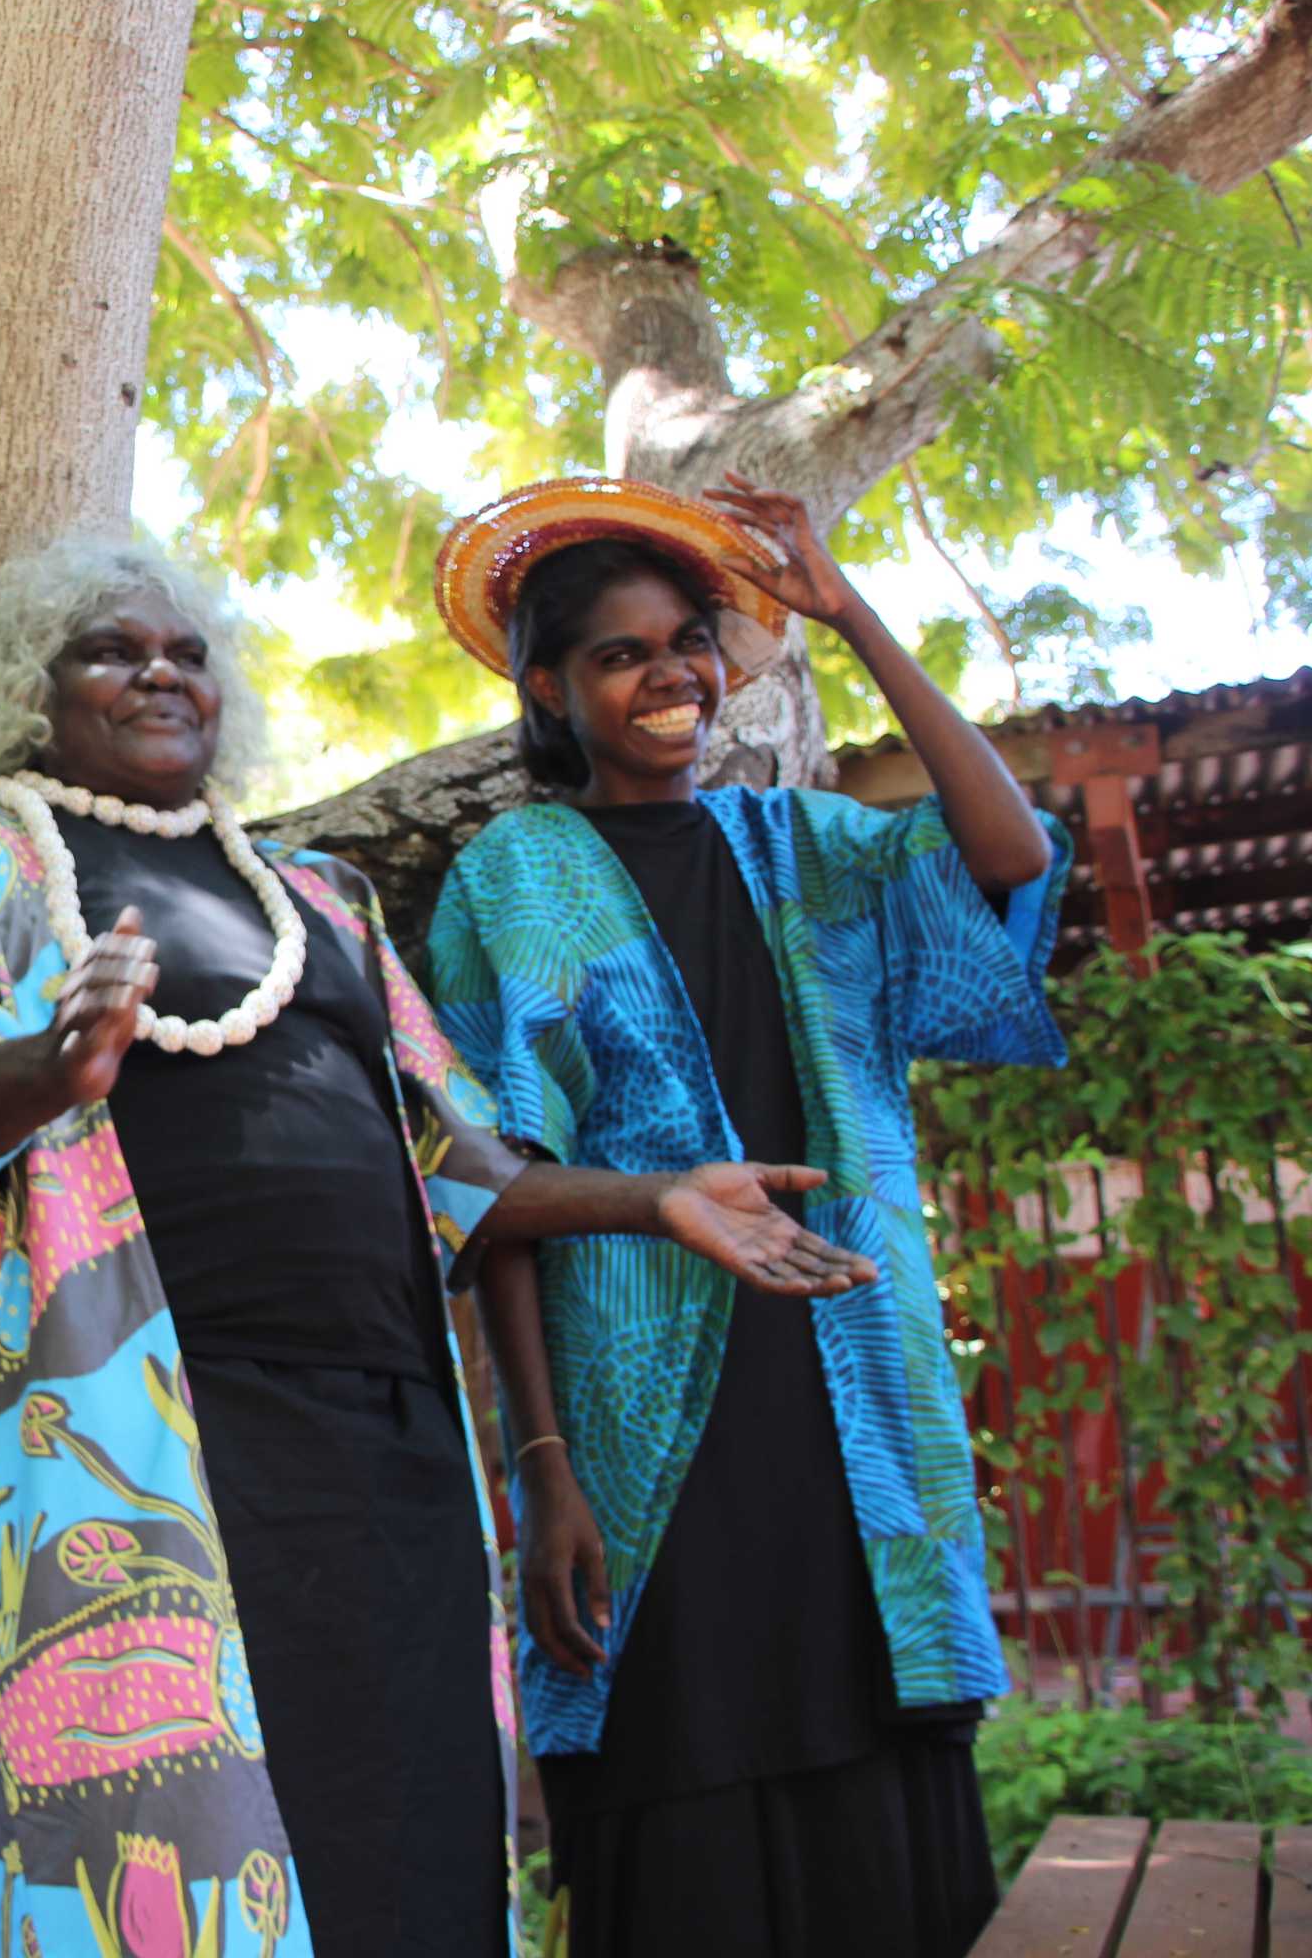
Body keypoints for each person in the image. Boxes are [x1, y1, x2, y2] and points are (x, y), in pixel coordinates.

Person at [0, 533, 881, 1956]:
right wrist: (55, 1066)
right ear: (32, 695)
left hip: (381, 1440)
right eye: (112, 652)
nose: (159, 672)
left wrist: (654, 1196)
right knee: (172, 1852)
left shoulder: (320, 900)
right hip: (136, 1439)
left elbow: (458, 1161)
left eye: (185, 652)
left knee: (403, 1832)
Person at [424, 474, 1070, 1958]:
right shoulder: (507, 878)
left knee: (883, 1740)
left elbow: (1010, 858)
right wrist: (543, 1471)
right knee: (678, 1771)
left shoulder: (805, 846)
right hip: (638, 1414)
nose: (671, 677)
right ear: (546, 685)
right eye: (620, 654)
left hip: (855, 1376)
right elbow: (486, 1187)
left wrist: (847, 613)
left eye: (689, 643)